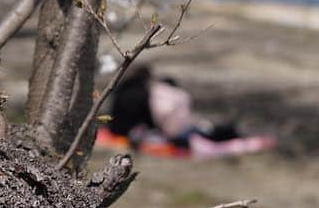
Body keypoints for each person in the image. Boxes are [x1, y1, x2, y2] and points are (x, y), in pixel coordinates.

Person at [103, 64, 274, 158]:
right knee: (204, 132)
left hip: (118, 130)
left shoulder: (122, 89)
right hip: (136, 133)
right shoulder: (142, 95)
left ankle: (232, 131)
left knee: (201, 131)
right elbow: (150, 121)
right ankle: (233, 132)